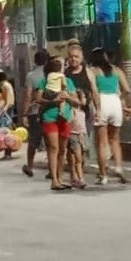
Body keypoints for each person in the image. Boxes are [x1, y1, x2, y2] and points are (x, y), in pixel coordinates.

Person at [89, 47, 131, 185]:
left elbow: (94, 91)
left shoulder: (93, 71)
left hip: (102, 101)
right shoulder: (116, 70)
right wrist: (120, 98)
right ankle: (118, 167)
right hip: (115, 101)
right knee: (115, 139)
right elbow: (127, 90)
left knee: (102, 142)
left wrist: (97, 108)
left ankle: (103, 175)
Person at [36, 56, 78, 189]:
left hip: (65, 118)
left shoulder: (68, 82)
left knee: (62, 149)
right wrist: (52, 101)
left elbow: (77, 102)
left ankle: (60, 178)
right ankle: (54, 180)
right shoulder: (44, 81)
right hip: (49, 117)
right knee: (54, 148)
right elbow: (38, 99)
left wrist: (68, 98)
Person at [21, 49, 48, 178]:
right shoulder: (52, 74)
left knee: (33, 140)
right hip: (50, 110)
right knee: (50, 140)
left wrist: (25, 113)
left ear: (35, 61)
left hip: (35, 111)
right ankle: (53, 169)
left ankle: (30, 166)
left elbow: (28, 95)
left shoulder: (31, 76)